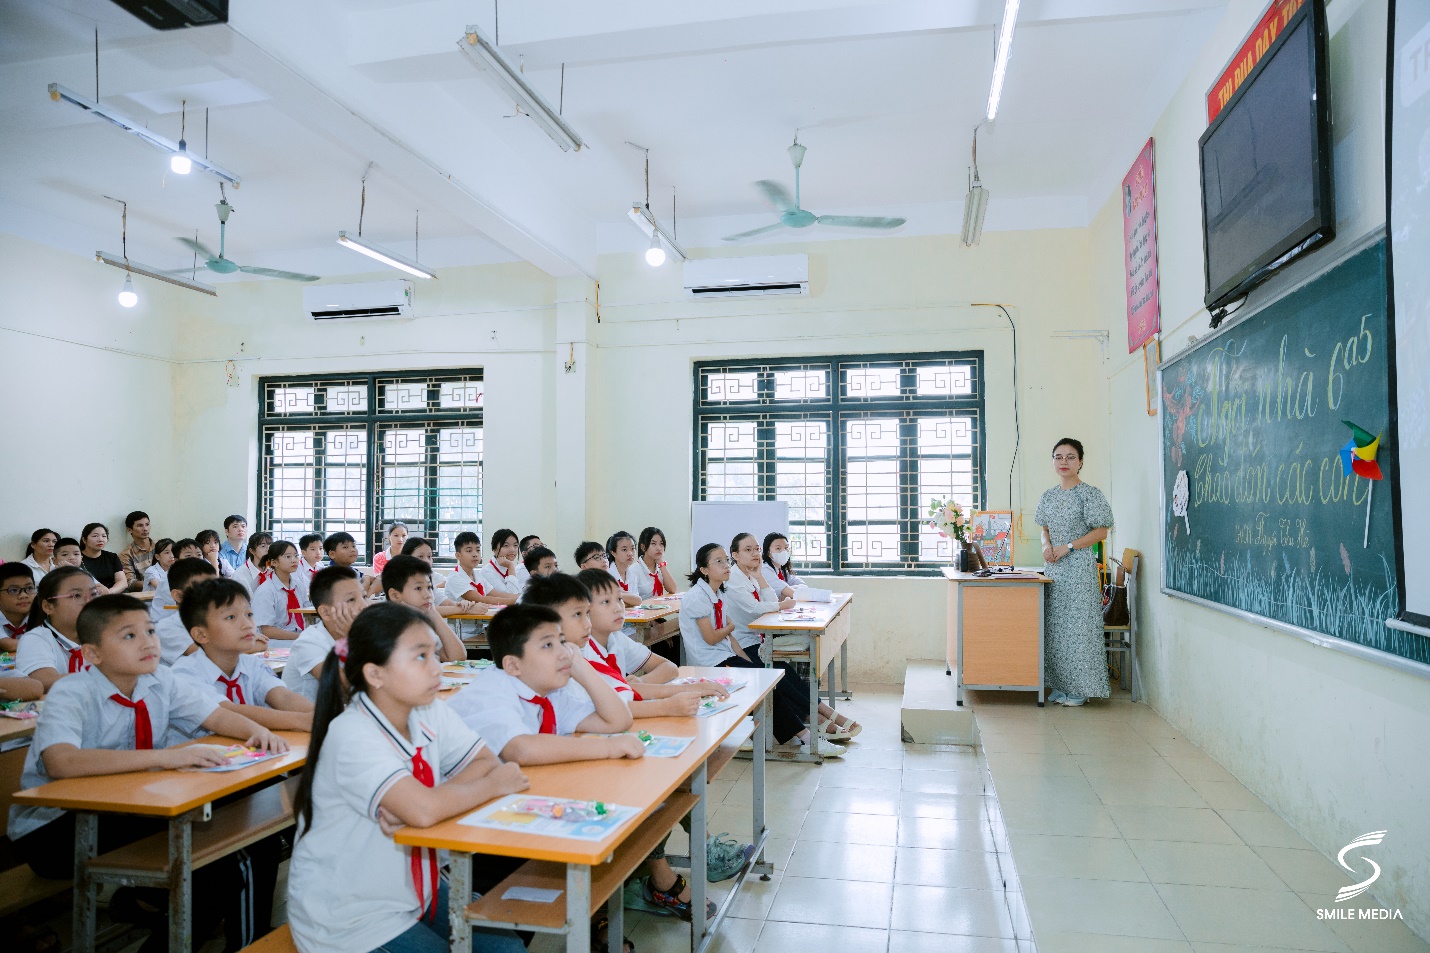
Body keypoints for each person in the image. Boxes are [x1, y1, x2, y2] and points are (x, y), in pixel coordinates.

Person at [6, 594, 287, 953]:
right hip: (55, 829)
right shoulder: (71, 691)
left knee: (238, 839)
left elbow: (217, 716)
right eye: (129, 635)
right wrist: (164, 758)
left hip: (127, 809)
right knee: (217, 868)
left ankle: (154, 908)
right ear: (92, 653)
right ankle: (150, 905)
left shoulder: (159, 679)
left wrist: (256, 731)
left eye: (151, 631)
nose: (147, 643)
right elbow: (61, 762)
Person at [286, 603, 528, 953]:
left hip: (419, 890)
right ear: (375, 674)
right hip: (352, 916)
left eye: (434, 653)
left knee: (507, 949)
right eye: (420, 657)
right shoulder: (352, 733)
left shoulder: (428, 709)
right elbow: (438, 804)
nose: (437, 667)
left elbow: (485, 761)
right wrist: (489, 787)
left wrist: (426, 802)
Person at [679, 543, 843, 759]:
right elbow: (712, 637)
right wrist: (729, 628)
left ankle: (807, 730)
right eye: (719, 562)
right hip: (709, 662)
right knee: (764, 686)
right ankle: (807, 739)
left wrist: (747, 661)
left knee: (769, 677)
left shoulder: (719, 592)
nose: (726, 565)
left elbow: (729, 638)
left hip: (725, 654)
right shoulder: (697, 597)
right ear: (704, 569)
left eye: (726, 560)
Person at [446, 603, 638, 765]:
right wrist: (608, 747)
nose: (564, 653)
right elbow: (521, 750)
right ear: (513, 665)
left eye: (562, 642)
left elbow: (618, 721)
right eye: (548, 645)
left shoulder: (550, 691)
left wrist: (581, 666)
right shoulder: (492, 691)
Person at [729, 533, 857, 741]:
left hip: (756, 640)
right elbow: (754, 610)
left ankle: (820, 716)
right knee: (781, 675)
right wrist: (781, 605)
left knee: (785, 672)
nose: (755, 554)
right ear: (735, 555)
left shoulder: (752, 574)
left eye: (756, 549)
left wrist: (761, 578)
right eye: (748, 550)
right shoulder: (733, 579)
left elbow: (770, 599)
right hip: (741, 644)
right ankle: (821, 717)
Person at [173, 578, 315, 734]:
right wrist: (302, 721)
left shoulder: (252, 664)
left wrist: (319, 715)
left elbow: (283, 697)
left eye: (249, 614)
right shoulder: (184, 674)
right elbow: (227, 713)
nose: (247, 624)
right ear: (201, 634)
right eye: (231, 617)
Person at [1036, 437, 1115, 707]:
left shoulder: (1089, 494)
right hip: (1054, 569)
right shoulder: (1048, 496)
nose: (1064, 462)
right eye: (1058, 457)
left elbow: (1101, 532)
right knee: (1056, 629)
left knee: (1079, 629)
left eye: (1071, 457)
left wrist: (1067, 547)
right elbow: (1044, 529)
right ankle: (1060, 685)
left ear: (1080, 462)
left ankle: (1081, 689)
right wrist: (1046, 546)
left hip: (1079, 567)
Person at [282, 566, 364, 702]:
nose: (364, 605)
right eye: (351, 600)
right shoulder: (309, 643)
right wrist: (354, 638)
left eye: (364, 596)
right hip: (308, 715)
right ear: (325, 613)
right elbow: (348, 690)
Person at [18, 567, 99, 691]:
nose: (89, 602)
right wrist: (108, 678)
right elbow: (45, 682)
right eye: (76, 595)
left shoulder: (102, 635)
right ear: (48, 607)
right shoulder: (36, 639)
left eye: (93, 594)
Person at [381, 555, 465, 662]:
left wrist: (433, 612)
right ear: (395, 595)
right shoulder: (385, 627)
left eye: (429, 587)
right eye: (418, 588)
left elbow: (457, 657)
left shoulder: (421, 620)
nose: (428, 595)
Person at [154, 557, 218, 665]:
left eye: (215, 587)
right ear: (178, 596)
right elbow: (211, 656)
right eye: (204, 588)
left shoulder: (216, 620)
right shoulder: (165, 628)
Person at [253, 541, 311, 643]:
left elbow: (307, 615)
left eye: (296, 556)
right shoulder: (266, 590)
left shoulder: (299, 586)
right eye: (288, 557)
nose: (294, 560)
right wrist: (301, 637)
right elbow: (267, 630)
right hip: (276, 642)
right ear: (274, 563)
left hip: (299, 638)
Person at [476, 529, 522, 605]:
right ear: (494, 549)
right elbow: (511, 597)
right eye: (506, 545)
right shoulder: (487, 572)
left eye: (515, 545)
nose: (512, 550)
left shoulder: (512, 569)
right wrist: (511, 567)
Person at [79, 523, 127, 595]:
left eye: (104, 536)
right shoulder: (77, 558)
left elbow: (122, 582)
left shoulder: (112, 557)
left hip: (111, 596)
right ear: (84, 540)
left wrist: (108, 593)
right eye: (95, 536)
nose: (100, 539)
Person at [635, 527, 680, 599]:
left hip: (660, 605)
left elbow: (672, 589)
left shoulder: (659, 567)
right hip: (644, 606)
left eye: (661, 544)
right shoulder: (634, 570)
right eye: (653, 543)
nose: (659, 548)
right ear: (643, 547)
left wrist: (662, 565)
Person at [1, 563, 36, 649]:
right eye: (13, 590)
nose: (24, 595)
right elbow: (8, 645)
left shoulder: (40, 615)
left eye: (29, 588)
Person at [119, 511, 156, 593]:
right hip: (146, 595)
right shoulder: (126, 555)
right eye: (140, 525)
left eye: (147, 524)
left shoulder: (160, 546)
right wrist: (156, 584)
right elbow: (130, 583)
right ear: (129, 530)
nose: (145, 529)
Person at [605, 531, 643, 607]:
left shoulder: (632, 576)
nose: (630, 553)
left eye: (632, 548)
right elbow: (610, 604)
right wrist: (630, 601)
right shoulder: (607, 575)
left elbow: (638, 601)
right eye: (624, 549)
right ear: (613, 553)